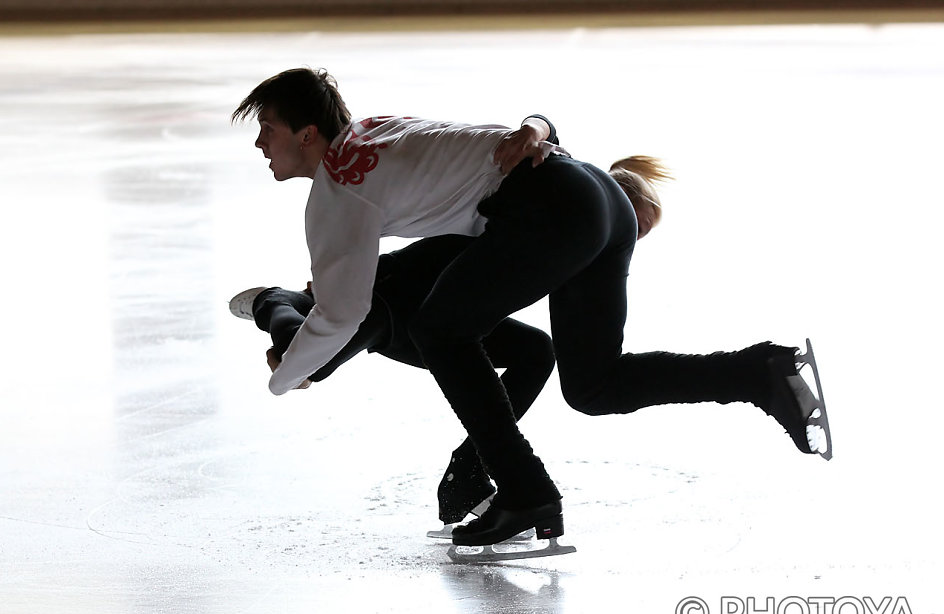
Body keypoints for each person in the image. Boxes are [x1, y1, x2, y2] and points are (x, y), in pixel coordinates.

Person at [231, 67, 831, 550]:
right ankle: (761, 372)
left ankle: (525, 491)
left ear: (307, 134)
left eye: (269, 129)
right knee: (596, 385)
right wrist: (539, 126)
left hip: (554, 207)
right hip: (598, 197)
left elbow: (342, 312)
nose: (261, 143)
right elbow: (495, 139)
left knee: (440, 329)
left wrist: (286, 378)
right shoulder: (377, 129)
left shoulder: (340, 189)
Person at [229, 233, 555, 526]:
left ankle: (467, 471)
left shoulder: (582, 225)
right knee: (309, 365)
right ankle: (273, 300)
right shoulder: (548, 211)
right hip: (390, 295)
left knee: (535, 351)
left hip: (444, 313)